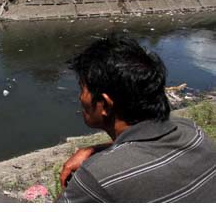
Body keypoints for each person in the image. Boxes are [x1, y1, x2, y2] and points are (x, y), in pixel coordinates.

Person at [57, 34, 216, 203]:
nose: (80, 98)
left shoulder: (97, 177)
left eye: (82, 89)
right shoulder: (192, 132)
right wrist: (95, 150)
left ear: (105, 104)